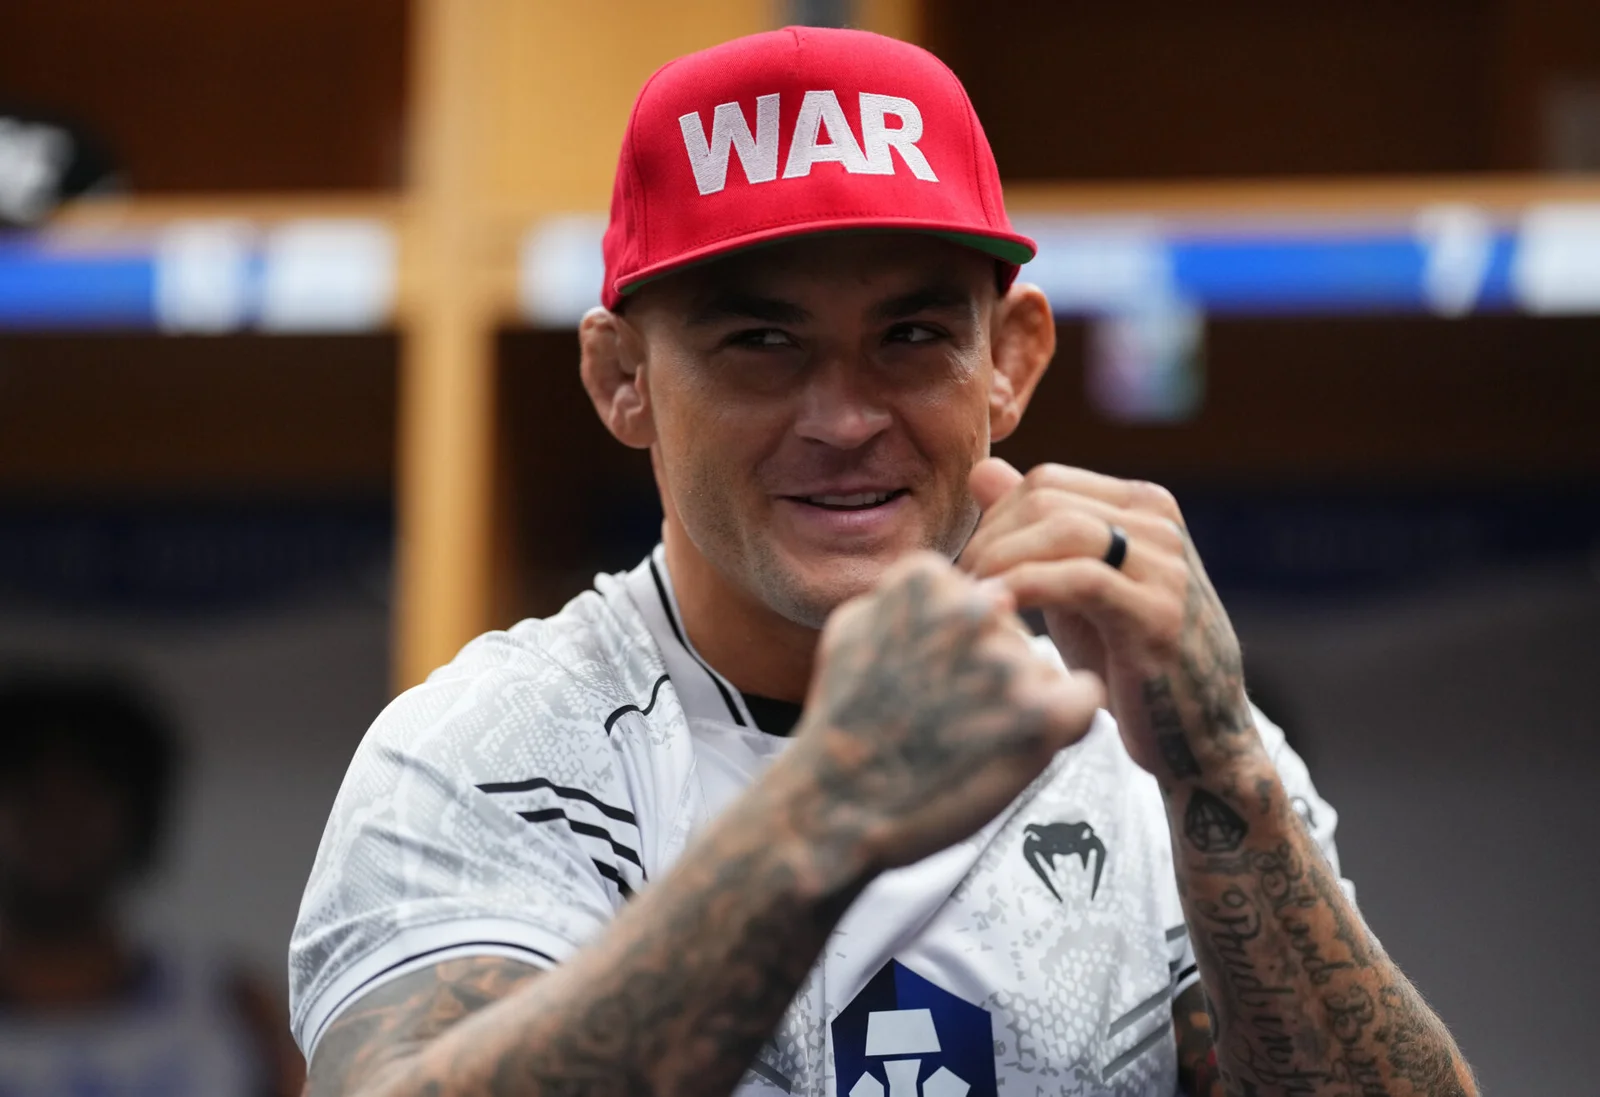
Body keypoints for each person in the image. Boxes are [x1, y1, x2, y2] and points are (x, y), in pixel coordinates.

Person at [290, 27, 1475, 1097]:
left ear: (1009, 360)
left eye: (910, 335)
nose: (845, 417)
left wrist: (1222, 769)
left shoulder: (1133, 745)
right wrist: (825, 809)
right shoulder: (490, 748)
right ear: (622, 378)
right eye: (761, 339)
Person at [0, 670, 303, 1097]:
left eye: (83, 798)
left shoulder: (234, 1013)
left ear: (140, 818)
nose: (54, 826)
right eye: (31, 795)